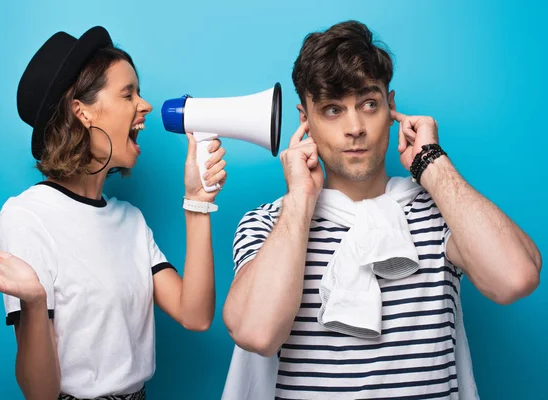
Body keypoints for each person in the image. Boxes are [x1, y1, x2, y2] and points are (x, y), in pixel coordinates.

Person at [222, 20, 542, 399]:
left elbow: (516, 278)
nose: (354, 127)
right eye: (332, 110)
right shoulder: (268, 223)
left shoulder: (442, 214)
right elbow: (257, 333)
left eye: (368, 104)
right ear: (304, 119)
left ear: (391, 107)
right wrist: (299, 201)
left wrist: (432, 163)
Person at [0, 26, 227, 400]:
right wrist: (33, 302)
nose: (144, 106)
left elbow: (195, 315)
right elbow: (40, 393)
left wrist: (198, 200)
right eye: (128, 94)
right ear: (82, 112)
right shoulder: (27, 216)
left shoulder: (130, 220)